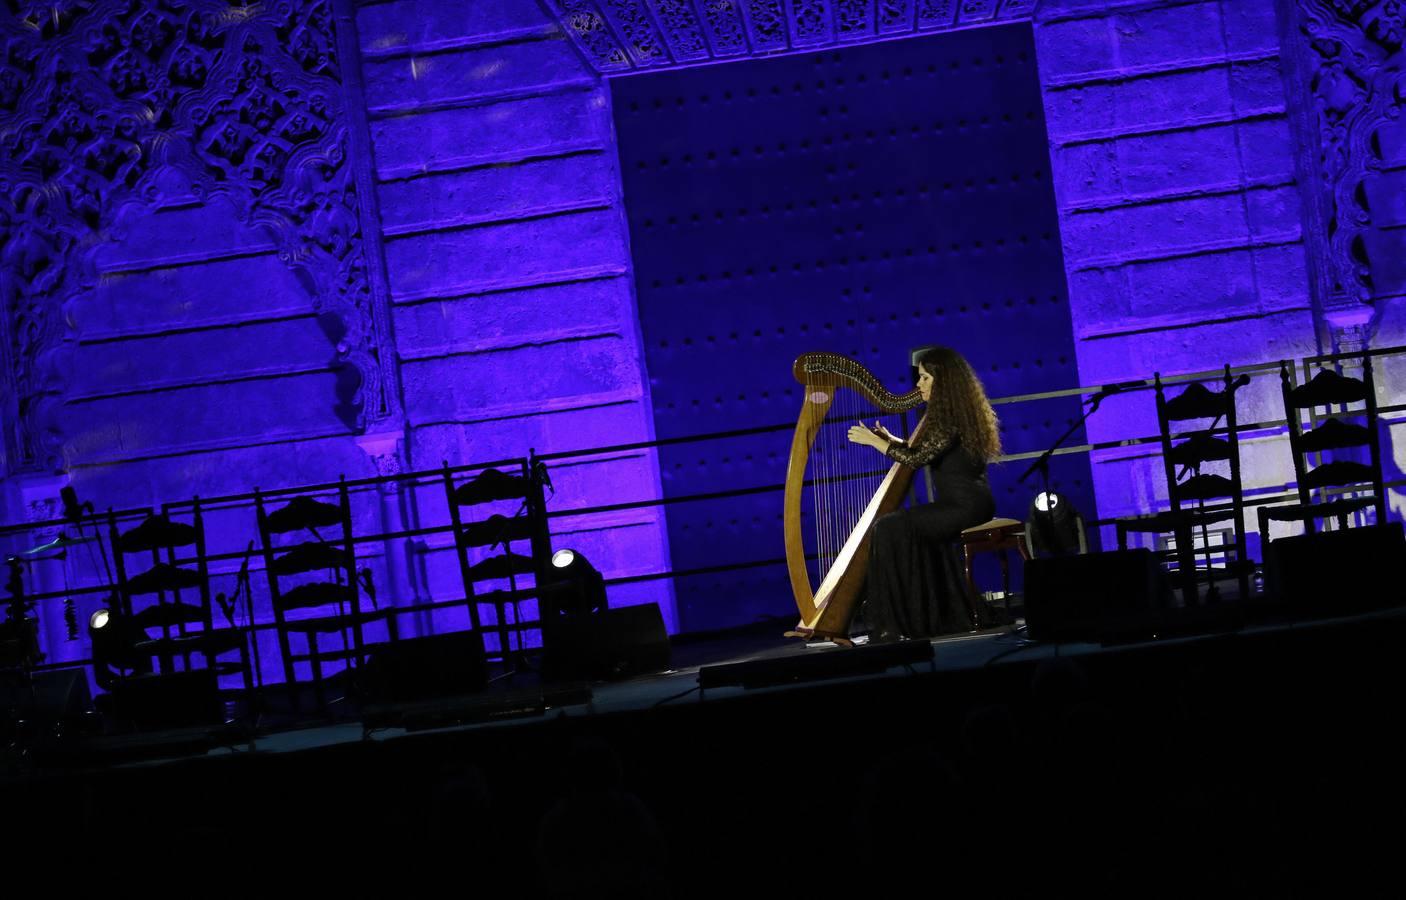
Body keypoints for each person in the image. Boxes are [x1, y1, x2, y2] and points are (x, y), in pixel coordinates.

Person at [846, 346, 1001, 640]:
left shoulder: (950, 416)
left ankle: (896, 622)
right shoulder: (953, 414)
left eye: (925, 379)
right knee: (900, 527)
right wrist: (893, 440)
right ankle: (927, 617)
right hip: (965, 503)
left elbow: (917, 460)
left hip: (965, 506)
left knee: (889, 528)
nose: (918, 385)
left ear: (943, 382)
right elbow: (927, 451)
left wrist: (873, 442)